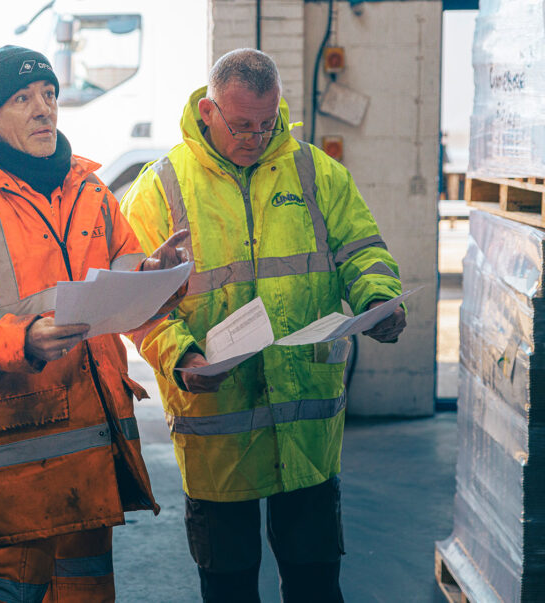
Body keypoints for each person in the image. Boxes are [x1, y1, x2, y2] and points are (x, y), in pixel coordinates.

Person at [119, 48, 406, 603]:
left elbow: (364, 250)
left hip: (306, 427)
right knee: (227, 587)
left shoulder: (315, 171)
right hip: (218, 430)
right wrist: (181, 357)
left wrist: (380, 298)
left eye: (266, 123)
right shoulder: (160, 188)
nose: (255, 137)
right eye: (241, 125)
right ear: (208, 111)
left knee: (316, 582)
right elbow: (142, 303)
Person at [0, 45, 188, 602]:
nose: (44, 109)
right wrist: (22, 339)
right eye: (22, 98)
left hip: (91, 444)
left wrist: (157, 272)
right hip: (17, 447)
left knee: (86, 585)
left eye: (49, 94)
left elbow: (124, 273)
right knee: (15, 585)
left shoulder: (92, 192)